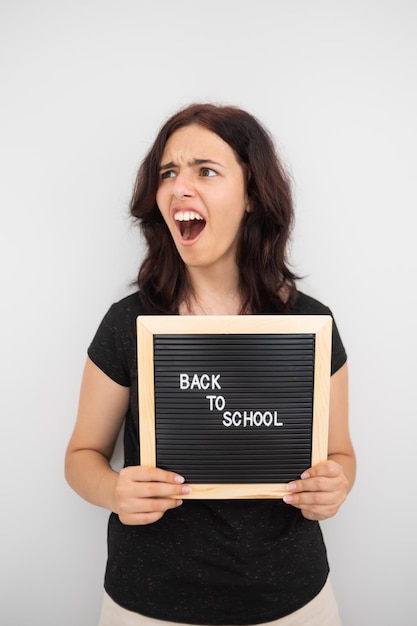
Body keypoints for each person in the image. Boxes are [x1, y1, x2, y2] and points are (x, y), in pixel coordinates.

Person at [65, 103, 356, 626]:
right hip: (147, 605)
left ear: (252, 196)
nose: (179, 188)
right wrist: (114, 489)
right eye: (168, 173)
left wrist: (334, 487)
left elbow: (341, 455)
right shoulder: (127, 323)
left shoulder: (312, 326)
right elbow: (81, 455)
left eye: (206, 170)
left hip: (292, 603)